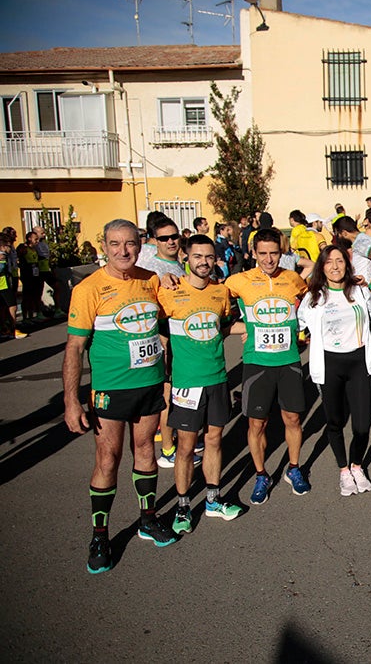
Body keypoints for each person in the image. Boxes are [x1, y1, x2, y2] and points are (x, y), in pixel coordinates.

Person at [63, 219, 177, 574]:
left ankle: (147, 518)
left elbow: (167, 317)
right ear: (104, 245)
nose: (123, 251)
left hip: (149, 384)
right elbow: (75, 347)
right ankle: (100, 535)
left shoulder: (151, 280)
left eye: (130, 243)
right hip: (111, 389)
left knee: (145, 450)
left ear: (140, 244)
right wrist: (70, 400)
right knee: (107, 459)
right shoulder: (89, 288)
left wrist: (178, 281)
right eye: (115, 244)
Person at [157, 234, 245, 532]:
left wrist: (258, 327)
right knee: (185, 447)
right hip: (186, 383)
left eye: (209, 257)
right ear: (186, 258)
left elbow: (225, 326)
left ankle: (212, 500)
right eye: (198, 256)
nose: (204, 262)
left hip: (218, 378)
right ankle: (183, 506)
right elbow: (156, 329)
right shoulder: (168, 291)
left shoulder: (220, 293)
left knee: (214, 440)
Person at [225, 228, 310, 504]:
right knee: (256, 424)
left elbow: (312, 299)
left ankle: (294, 469)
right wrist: (240, 328)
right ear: (253, 253)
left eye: (274, 253)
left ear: (281, 252)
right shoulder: (238, 281)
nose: (269, 259)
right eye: (263, 253)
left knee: (293, 419)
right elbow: (210, 300)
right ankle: (261, 474)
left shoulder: (293, 279)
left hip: (288, 362)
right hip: (257, 363)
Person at [298, 243, 371, 496]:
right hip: (329, 365)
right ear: (321, 267)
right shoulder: (314, 297)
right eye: (328, 262)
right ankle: (344, 471)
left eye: (339, 261)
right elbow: (295, 323)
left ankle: (357, 465)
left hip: (358, 363)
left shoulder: (358, 290)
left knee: (361, 426)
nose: (335, 266)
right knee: (334, 422)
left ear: (346, 264)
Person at [134, 215, 186, 461]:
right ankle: (167, 450)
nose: (170, 241)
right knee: (168, 395)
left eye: (174, 236)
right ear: (155, 241)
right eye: (164, 238)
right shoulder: (153, 267)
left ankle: (172, 440)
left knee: (174, 392)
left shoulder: (175, 264)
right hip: (164, 338)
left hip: (177, 337)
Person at [332, 215, 371, 282]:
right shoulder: (361, 240)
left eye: (338, 234)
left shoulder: (360, 243)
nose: (337, 238)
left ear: (344, 233)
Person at [0, 234, 27, 339]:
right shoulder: (2, 256)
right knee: (12, 306)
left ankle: (4, 329)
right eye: (9, 246)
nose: (10, 248)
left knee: (3, 307)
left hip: (5, 283)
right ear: (3, 246)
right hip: (3, 284)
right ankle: (12, 329)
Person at [33, 225, 62, 314]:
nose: (44, 235)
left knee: (56, 287)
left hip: (47, 269)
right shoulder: (34, 245)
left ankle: (58, 309)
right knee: (38, 291)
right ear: (36, 233)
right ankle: (39, 312)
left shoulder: (44, 243)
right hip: (39, 271)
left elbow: (48, 257)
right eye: (42, 233)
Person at [17, 229, 42, 324]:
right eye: (35, 239)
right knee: (27, 296)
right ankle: (25, 317)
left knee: (34, 296)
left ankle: (32, 316)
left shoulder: (34, 249)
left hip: (35, 274)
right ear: (29, 239)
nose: (37, 241)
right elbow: (19, 260)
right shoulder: (23, 248)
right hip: (27, 275)